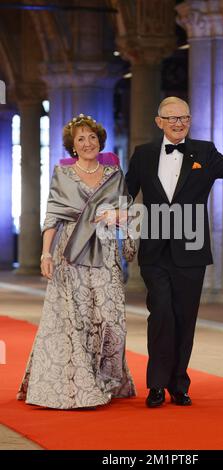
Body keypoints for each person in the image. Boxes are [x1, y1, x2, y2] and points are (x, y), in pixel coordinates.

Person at [125, 96, 223, 408]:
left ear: (189, 120)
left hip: (192, 250)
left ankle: (178, 385)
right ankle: (156, 385)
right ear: (159, 122)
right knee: (161, 315)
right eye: (171, 118)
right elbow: (126, 193)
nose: (178, 122)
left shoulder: (205, 151)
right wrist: (108, 213)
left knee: (185, 318)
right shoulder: (142, 154)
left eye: (183, 117)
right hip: (155, 250)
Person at [17, 114, 136, 409]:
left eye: (92, 138)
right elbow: (52, 218)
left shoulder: (114, 175)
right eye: (81, 139)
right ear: (73, 146)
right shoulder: (62, 175)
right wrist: (45, 254)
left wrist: (117, 216)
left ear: (100, 141)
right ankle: (83, 387)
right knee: (77, 319)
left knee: (112, 321)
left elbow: (130, 213)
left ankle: (106, 377)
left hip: (105, 252)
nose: (87, 143)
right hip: (70, 255)